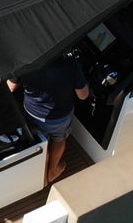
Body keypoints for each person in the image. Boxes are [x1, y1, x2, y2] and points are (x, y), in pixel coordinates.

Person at [8, 53, 90, 186]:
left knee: (38, 139)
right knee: (59, 139)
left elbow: (10, 87)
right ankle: (52, 171)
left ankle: (40, 170)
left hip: (32, 113)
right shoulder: (70, 63)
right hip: (59, 118)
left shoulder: (25, 60)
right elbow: (83, 95)